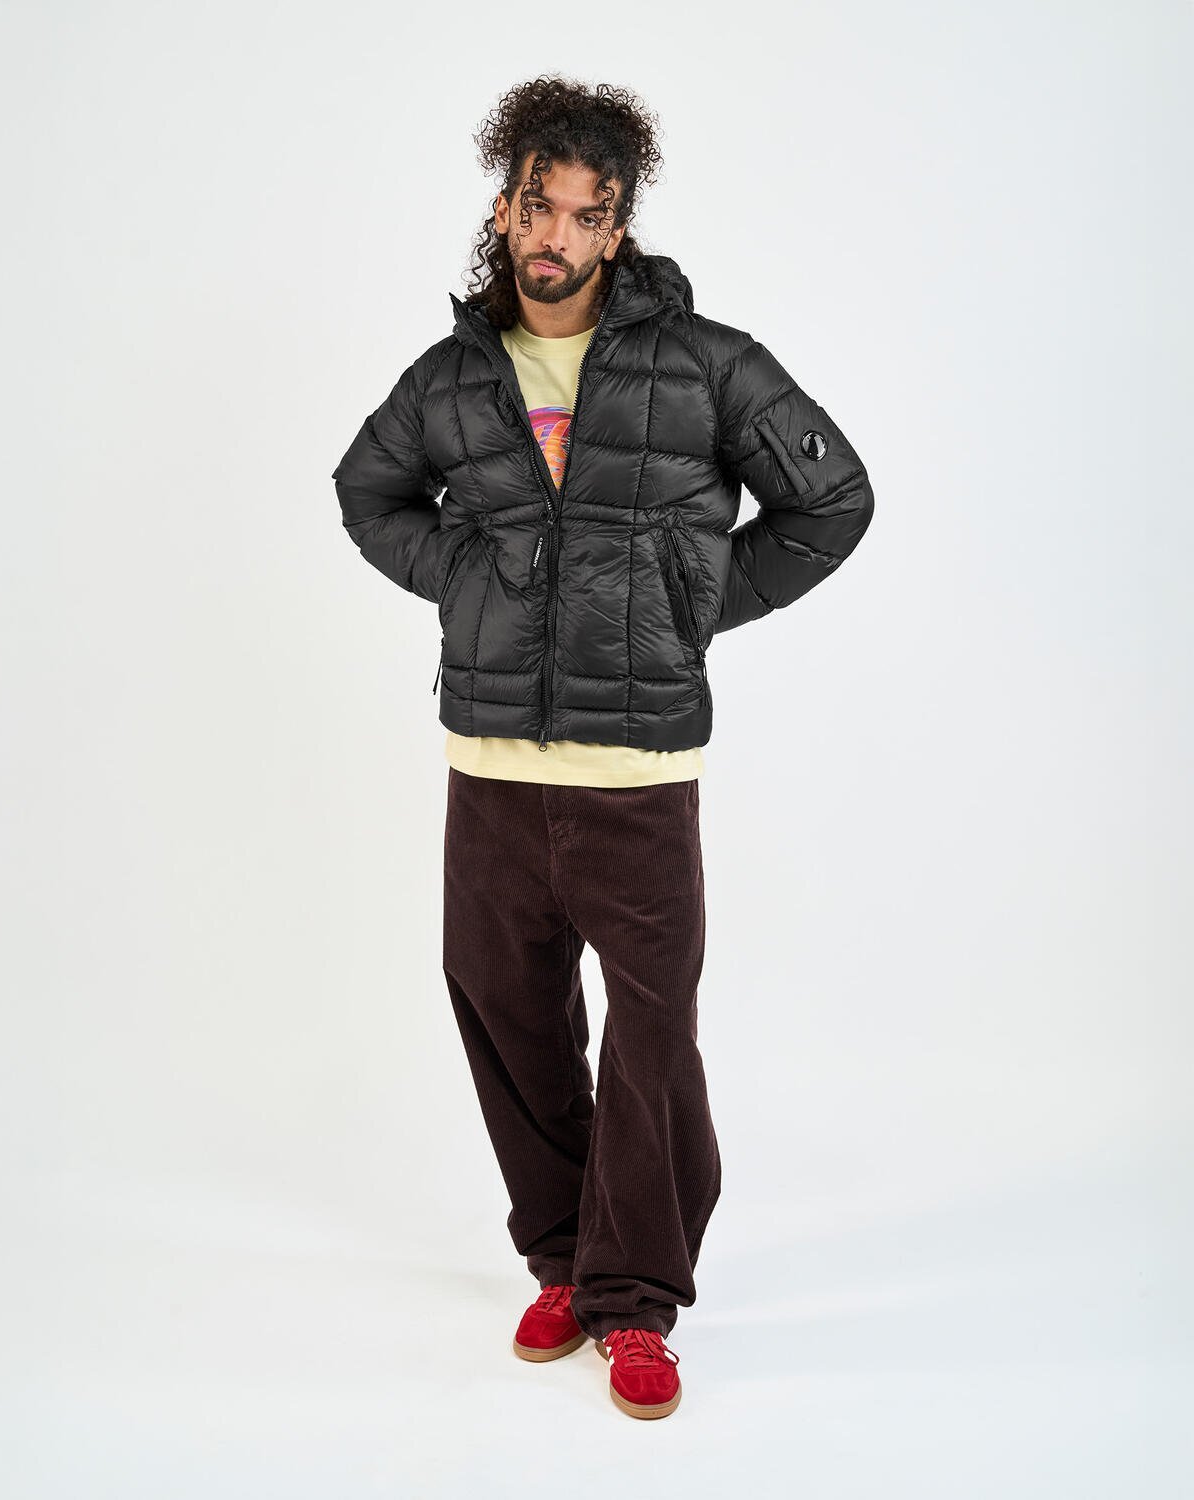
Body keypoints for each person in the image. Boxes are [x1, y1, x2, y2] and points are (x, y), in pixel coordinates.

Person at [331, 77, 875, 1421]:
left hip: (636, 781)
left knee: (650, 1036)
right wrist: (463, 578)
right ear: (503, 209)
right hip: (491, 773)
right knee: (504, 1011)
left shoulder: (708, 365)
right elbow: (367, 492)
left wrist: (692, 605)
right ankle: (565, 1258)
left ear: (618, 229)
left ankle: (636, 1302)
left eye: (587, 214)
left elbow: (833, 500)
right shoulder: (452, 378)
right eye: (538, 206)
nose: (556, 235)